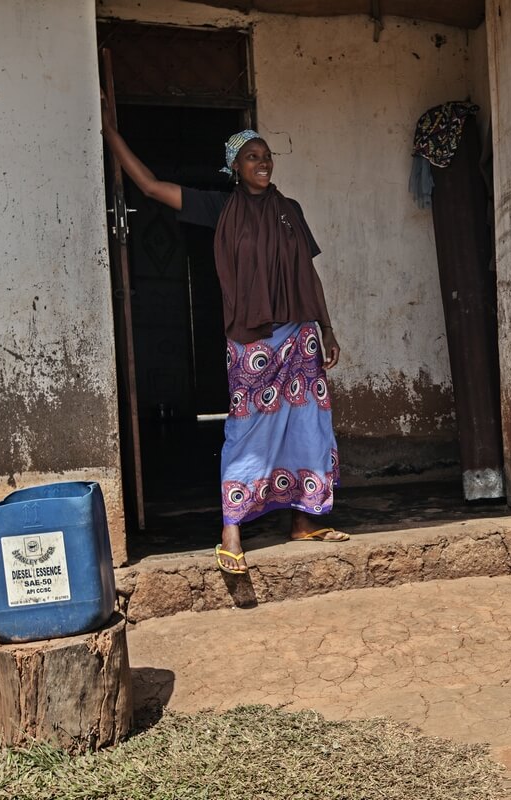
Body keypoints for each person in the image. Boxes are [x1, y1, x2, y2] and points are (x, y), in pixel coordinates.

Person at [101, 105, 350, 576]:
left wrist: (326, 326)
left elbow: (307, 272)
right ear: (234, 167)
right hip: (250, 339)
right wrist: (110, 132)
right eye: (252, 156)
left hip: (299, 334)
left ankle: (303, 519)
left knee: (309, 425)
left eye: (267, 155)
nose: (263, 162)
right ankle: (231, 532)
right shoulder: (220, 208)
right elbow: (151, 187)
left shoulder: (289, 211)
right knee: (245, 430)